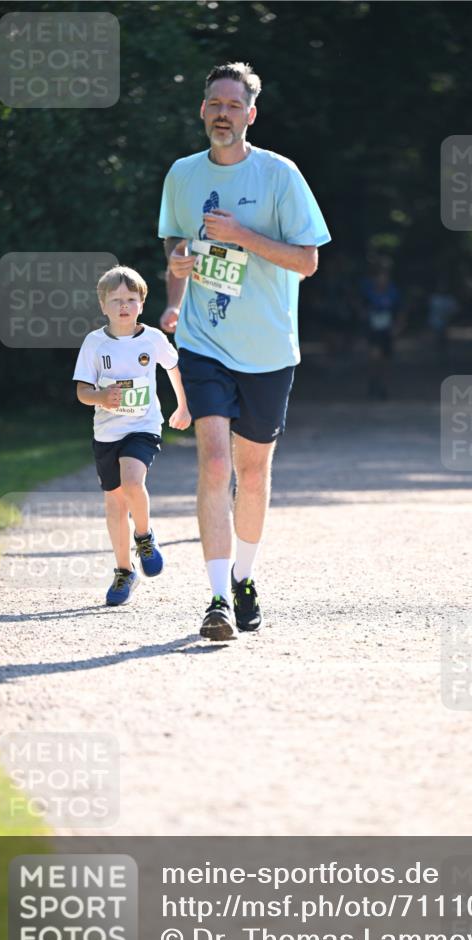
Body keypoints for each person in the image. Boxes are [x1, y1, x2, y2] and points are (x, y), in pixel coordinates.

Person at [158, 61, 330, 641]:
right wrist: (175, 284)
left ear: (251, 114)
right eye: (215, 104)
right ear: (202, 110)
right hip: (203, 340)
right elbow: (176, 243)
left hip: (267, 348)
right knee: (214, 462)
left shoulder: (280, 175)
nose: (223, 114)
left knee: (251, 474)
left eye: (234, 105)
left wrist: (242, 237)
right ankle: (215, 601)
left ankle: (243, 578)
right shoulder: (182, 174)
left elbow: (307, 261)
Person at [73, 265, 191, 606]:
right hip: (106, 432)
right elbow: (82, 391)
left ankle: (144, 536)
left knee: (132, 482)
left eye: (130, 299)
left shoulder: (152, 338)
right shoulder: (94, 343)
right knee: (114, 503)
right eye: (116, 300)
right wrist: (100, 397)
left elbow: (174, 368)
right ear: (103, 305)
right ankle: (125, 571)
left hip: (143, 426)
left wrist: (183, 407)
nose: (124, 306)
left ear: (142, 303)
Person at [360, 259, 401, 399]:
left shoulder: (393, 292)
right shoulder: (368, 291)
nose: (382, 279)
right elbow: (361, 307)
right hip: (373, 330)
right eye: (379, 276)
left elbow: (400, 311)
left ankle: (383, 386)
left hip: (387, 331)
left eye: (384, 276)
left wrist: (397, 327)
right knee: (374, 356)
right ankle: (373, 382)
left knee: (385, 360)